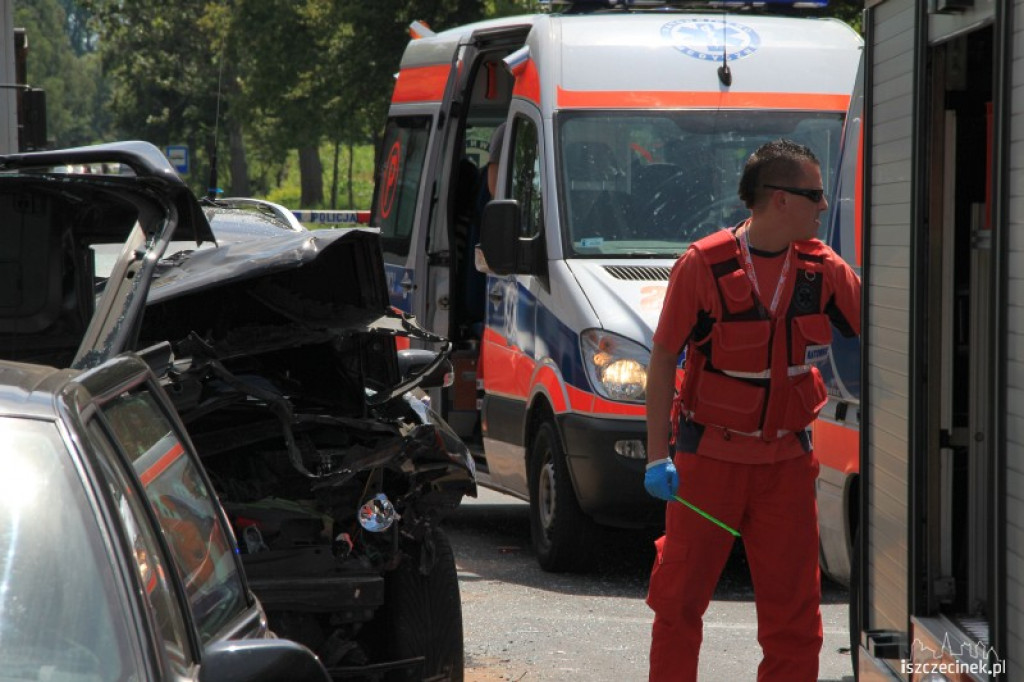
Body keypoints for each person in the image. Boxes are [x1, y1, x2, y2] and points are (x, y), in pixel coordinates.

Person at [643, 139, 861, 682]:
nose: (824, 205)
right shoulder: (703, 265)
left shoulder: (823, 269)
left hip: (786, 466)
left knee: (795, 622)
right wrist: (655, 458)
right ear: (780, 199)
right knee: (678, 607)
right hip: (707, 463)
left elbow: (886, 332)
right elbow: (664, 355)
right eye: (815, 194)